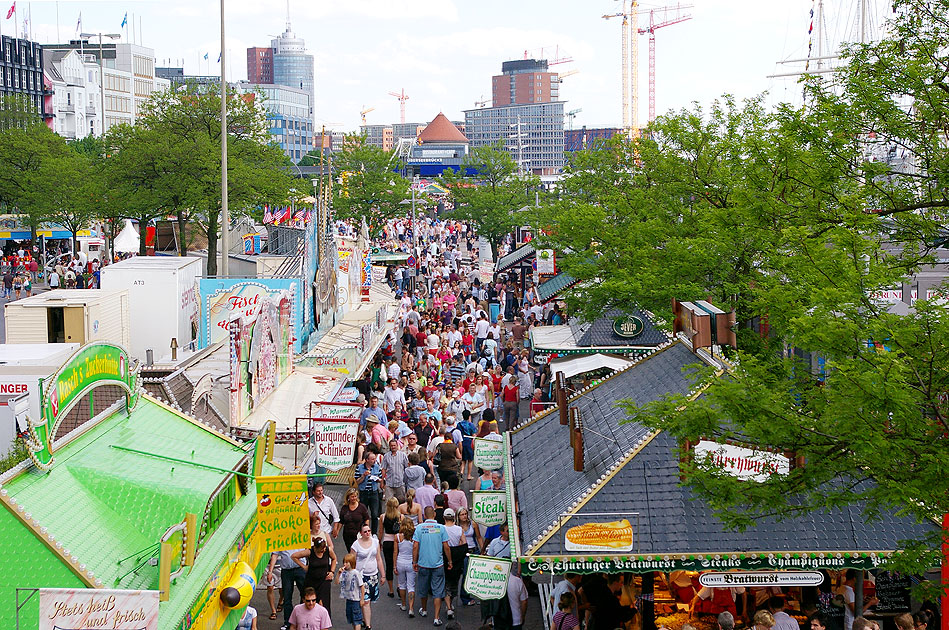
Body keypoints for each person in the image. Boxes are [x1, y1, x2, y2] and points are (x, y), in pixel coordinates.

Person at [414, 506, 453, 625]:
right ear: (434, 515)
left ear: (425, 516)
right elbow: (446, 546)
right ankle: (436, 618)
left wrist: (414, 561)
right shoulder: (441, 528)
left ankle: (424, 609)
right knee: (438, 590)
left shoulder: (419, 528)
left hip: (423, 563)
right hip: (438, 564)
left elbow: (415, 546)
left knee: (423, 587)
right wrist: (450, 561)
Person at [351, 521, 386, 630]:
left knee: (368, 601)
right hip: (362, 576)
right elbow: (352, 561)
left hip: (373, 575)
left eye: (369, 531)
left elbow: (379, 559)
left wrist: (383, 574)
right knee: (365, 601)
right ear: (360, 533)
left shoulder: (375, 542)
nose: (367, 533)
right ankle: (368, 625)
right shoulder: (356, 545)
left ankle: (363, 618)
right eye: (365, 531)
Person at [294, 535, 337, 618]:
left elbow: (334, 559)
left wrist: (332, 571)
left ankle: (324, 621)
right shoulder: (310, 551)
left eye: (324, 549)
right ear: (316, 548)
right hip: (311, 580)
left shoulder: (328, 550)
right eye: (321, 550)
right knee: (309, 600)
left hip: (324, 580)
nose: (323, 551)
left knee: (323, 603)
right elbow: (294, 556)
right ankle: (306, 620)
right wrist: (304, 567)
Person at [267, 548, 307, 630]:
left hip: (300, 569)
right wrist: (270, 571)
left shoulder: (300, 535)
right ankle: (288, 622)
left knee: (305, 595)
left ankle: (303, 620)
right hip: (287, 571)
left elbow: (308, 550)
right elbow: (275, 555)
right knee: (287, 596)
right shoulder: (282, 538)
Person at [443, 508, 467, 620]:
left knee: (446, 583)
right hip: (457, 559)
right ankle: (450, 604)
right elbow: (464, 543)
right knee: (454, 582)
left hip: (444, 557)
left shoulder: (442, 529)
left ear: (444, 518)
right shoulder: (459, 529)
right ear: (454, 517)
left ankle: (448, 607)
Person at [394, 517, 418, 617]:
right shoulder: (415, 537)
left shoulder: (398, 537)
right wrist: (415, 562)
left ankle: (404, 604)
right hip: (411, 562)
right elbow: (416, 550)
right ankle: (411, 608)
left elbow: (395, 552)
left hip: (400, 562)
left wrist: (394, 565)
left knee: (402, 584)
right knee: (411, 586)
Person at [378, 497, 401, 599]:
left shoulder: (383, 517)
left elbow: (381, 532)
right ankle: (399, 586)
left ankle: (391, 590)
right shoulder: (401, 517)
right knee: (398, 564)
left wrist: (379, 542)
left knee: (389, 565)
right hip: (397, 541)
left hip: (387, 541)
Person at [337, 553, 366, 630]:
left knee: (357, 619)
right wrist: (339, 573)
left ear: (352, 563)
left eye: (347, 562)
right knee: (352, 619)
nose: (344, 564)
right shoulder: (344, 573)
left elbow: (362, 586)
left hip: (356, 600)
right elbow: (337, 582)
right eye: (344, 562)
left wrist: (362, 599)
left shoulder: (356, 573)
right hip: (349, 599)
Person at [356, 451, 384, 527]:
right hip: (363, 492)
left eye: (374, 459)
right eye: (372, 459)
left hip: (373, 492)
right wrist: (363, 476)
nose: (374, 461)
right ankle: (363, 530)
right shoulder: (359, 467)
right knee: (363, 514)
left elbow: (380, 478)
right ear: (367, 460)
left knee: (375, 514)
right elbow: (357, 482)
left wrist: (378, 480)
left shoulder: (377, 467)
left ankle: (374, 533)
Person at [507, 565, 529, 630]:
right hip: (516, 619)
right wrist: (523, 616)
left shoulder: (494, 582)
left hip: (498, 621)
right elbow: (524, 601)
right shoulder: (517, 581)